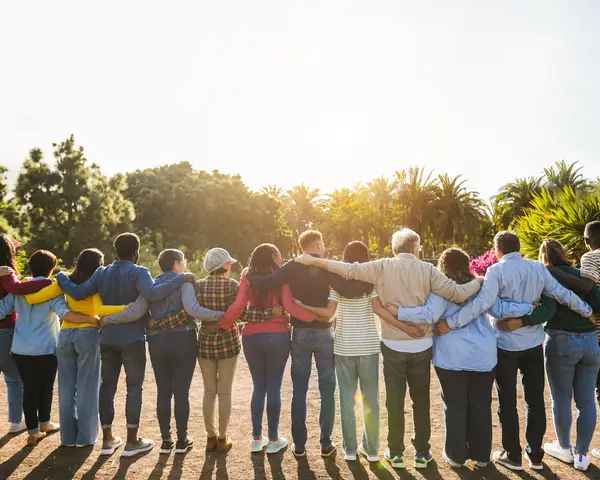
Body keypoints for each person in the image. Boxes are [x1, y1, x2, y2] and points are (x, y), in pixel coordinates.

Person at [295, 228, 482, 469]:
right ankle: (422, 453)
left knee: (393, 401)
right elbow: (457, 293)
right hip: (421, 344)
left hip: (391, 345)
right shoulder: (428, 270)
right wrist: (478, 281)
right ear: (415, 248)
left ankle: (394, 453)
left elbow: (349, 269)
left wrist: (313, 260)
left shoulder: (382, 267)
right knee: (420, 400)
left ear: (395, 249)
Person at [441, 231, 593, 471]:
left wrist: (451, 323)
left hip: (504, 345)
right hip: (533, 344)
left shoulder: (495, 272)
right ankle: (535, 456)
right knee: (535, 401)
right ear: (519, 247)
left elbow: (484, 304)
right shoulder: (537, 268)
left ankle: (512, 455)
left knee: (507, 402)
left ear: (497, 250)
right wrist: (586, 310)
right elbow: (562, 295)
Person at [55, 233, 195, 457]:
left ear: (115, 250)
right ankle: (132, 441)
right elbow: (152, 293)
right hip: (133, 339)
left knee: (107, 387)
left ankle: (108, 440)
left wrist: (61, 276)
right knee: (133, 388)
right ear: (135, 252)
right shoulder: (139, 272)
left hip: (107, 338)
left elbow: (78, 291)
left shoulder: (101, 272)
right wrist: (182, 278)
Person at [390, 248, 530, 469]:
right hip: (483, 354)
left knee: (454, 406)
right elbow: (498, 308)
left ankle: (456, 456)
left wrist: (398, 312)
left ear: (442, 266)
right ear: (467, 265)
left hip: (451, 355)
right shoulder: (481, 287)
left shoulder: (442, 288)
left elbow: (429, 314)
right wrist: (530, 307)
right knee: (481, 405)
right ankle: (482, 456)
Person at [246, 230, 371, 458]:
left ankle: (300, 445)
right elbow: (349, 288)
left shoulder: (292, 267)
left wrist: (248, 275)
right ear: (318, 243)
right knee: (327, 390)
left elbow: (267, 282)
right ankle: (325, 443)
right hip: (325, 334)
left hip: (300, 335)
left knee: (299, 391)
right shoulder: (327, 266)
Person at [24, 249, 130, 447]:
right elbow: (100, 310)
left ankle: (68, 439)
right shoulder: (96, 284)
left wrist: (23, 283)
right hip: (87, 335)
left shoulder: (65, 281)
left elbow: (32, 298)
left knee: (66, 389)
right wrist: (126, 307)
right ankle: (86, 439)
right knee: (87, 389)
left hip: (64, 337)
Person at [219, 243, 318, 454]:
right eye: (279, 254)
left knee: (258, 387)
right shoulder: (281, 277)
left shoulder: (247, 276)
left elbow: (238, 306)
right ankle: (273, 440)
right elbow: (289, 307)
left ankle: (256, 438)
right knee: (274, 386)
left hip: (251, 336)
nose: (281, 258)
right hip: (278, 336)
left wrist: (223, 323)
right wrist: (315, 317)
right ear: (273, 256)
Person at [516, 239, 599, 472]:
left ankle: (564, 447)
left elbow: (549, 309)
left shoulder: (546, 276)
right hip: (591, 341)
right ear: (564, 253)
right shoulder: (581, 275)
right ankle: (582, 455)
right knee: (586, 400)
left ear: (544, 258)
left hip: (561, 341)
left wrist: (523, 320)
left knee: (561, 399)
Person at [295, 241, 381, 463]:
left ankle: (350, 451)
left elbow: (327, 314)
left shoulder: (336, 285)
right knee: (370, 401)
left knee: (346, 401)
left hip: (343, 347)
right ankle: (371, 451)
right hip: (369, 347)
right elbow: (379, 309)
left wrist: (303, 306)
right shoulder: (372, 282)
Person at [0, 250, 97, 446]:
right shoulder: (52, 290)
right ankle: (43, 423)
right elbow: (66, 314)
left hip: (20, 349)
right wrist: (93, 320)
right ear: (51, 269)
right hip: (46, 349)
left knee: (29, 388)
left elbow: (2, 311)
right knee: (45, 387)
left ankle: (35, 430)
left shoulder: (18, 291)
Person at [0, 235, 52, 434]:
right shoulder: (6, 272)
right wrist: (49, 282)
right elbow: (17, 289)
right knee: (14, 379)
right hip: (4, 330)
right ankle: (15, 421)